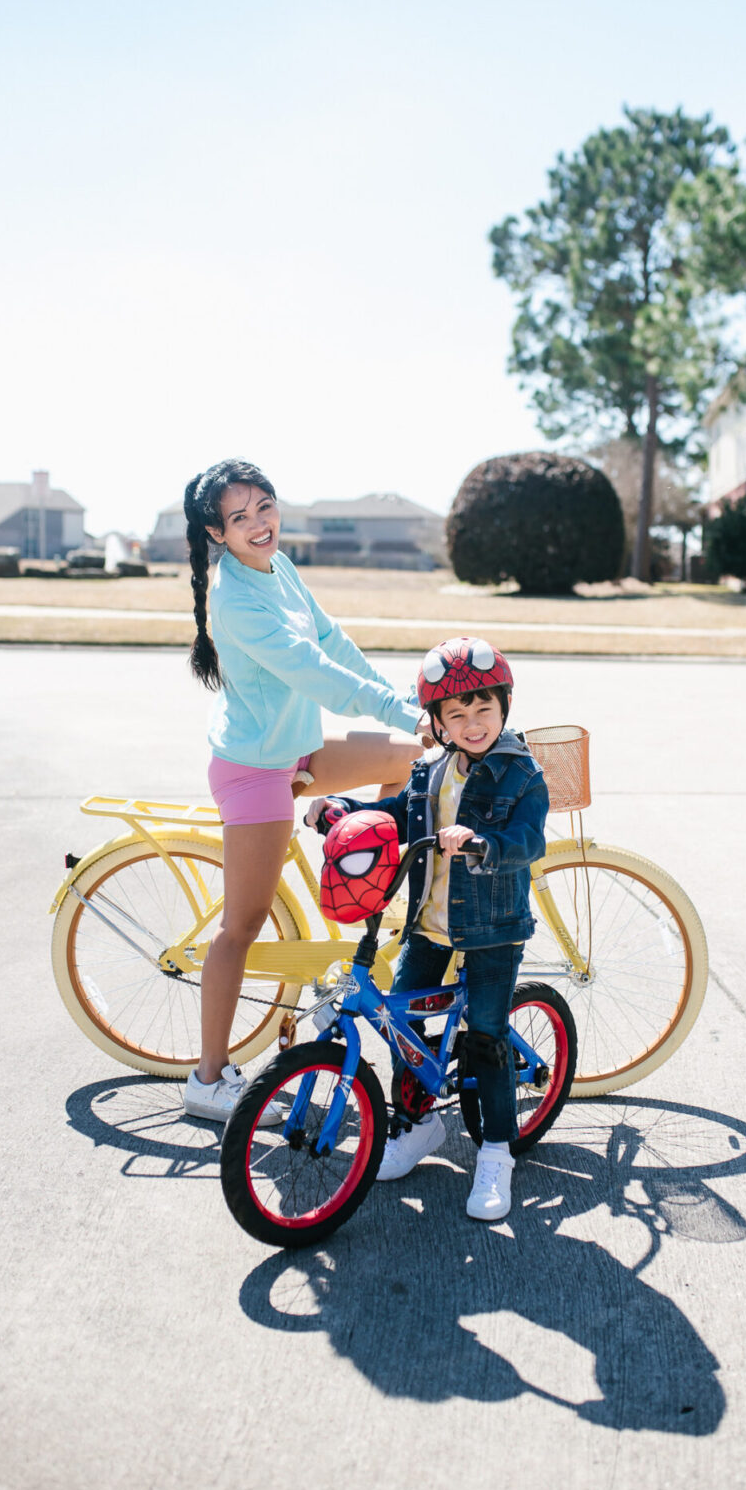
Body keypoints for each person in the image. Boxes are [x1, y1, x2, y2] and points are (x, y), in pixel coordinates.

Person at [181, 457, 427, 1123]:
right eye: (241, 517)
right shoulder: (235, 600)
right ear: (217, 532)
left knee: (411, 759)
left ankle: (363, 884)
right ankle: (207, 1080)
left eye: (266, 506)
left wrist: (406, 708)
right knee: (242, 926)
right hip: (256, 769)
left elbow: (330, 640)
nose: (260, 524)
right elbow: (318, 674)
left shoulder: (279, 568)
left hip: (297, 750)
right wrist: (399, 708)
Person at [306, 635, 548, 1222]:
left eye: (483, 711)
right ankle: (416, 1125)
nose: (472, 724)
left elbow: (529, 840)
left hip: (492, 928)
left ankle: (496, 1152)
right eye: (457, 715)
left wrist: (484, 843)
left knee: (485, 1036)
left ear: (504, 710)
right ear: (437, 723)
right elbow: (395, 814)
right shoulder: (430, 772)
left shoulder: (521, 777)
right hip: (428, 924)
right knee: (401, 1019)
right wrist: (339, 807)